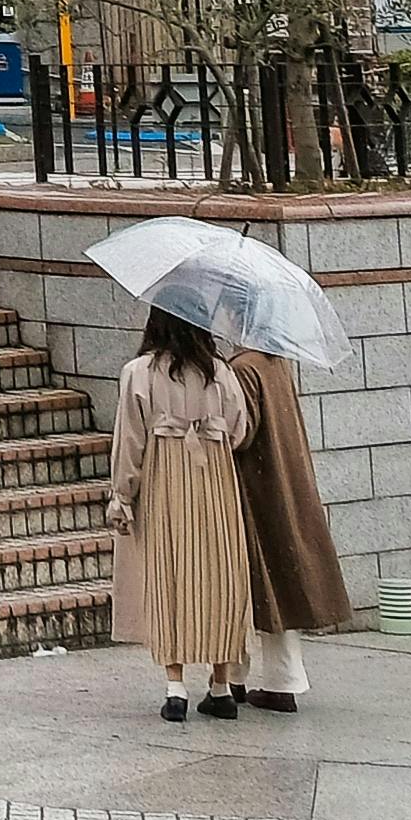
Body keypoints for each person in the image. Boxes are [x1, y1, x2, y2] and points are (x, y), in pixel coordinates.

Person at [106, 306, 256, 720]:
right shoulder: (223, 373)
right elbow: (240, 431)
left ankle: (176, 689)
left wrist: (121, 496)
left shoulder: (139, 372)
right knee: (219, 574)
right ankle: (221, 685)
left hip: (164, 479)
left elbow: (129, 441)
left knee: (170, 572)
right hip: (215, 480)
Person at [232, 344, 355, 710]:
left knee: (242, 583)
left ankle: (231, 677)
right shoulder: (276, 361)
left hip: (254, 487)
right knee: (279, 584)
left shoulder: (243, 367)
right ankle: (284, 679)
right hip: (286, 484)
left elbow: (240, 433)